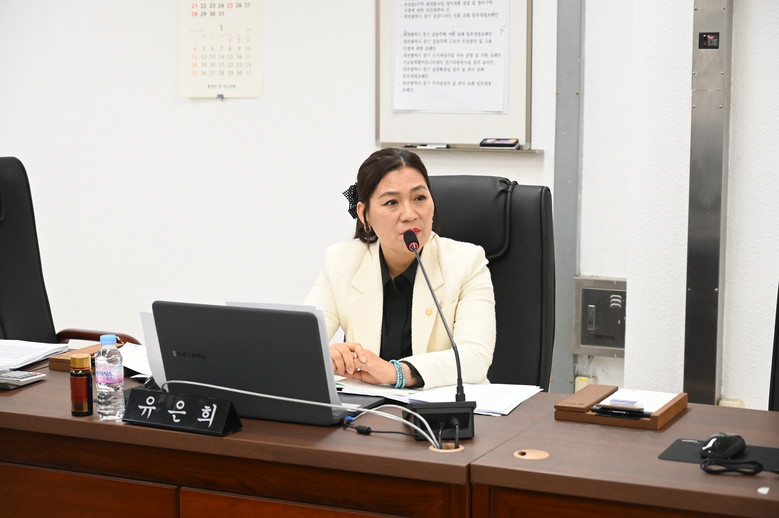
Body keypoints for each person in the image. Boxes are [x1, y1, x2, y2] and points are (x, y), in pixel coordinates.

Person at [304, 148, 496, 389]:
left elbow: (475, 358)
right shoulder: (342, 260)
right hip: (366, 406)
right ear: (364, 214)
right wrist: (331, 355)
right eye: (391, 202)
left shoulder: (466, 262)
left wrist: (397, 373)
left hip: (445, 406)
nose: (410, 214)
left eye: (419, 198)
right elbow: (301, 343)